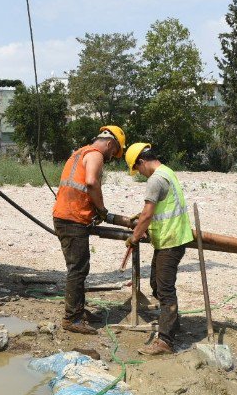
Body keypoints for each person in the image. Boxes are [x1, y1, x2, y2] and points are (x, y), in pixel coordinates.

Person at [52, 125, 126, 335]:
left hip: (66, 215)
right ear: (110, 144)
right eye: (114, 153)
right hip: (73, 218)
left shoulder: (79, 152)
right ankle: (72, 318)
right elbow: (92, 183)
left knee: (79, 268)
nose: (112, 156)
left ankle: (78, 310)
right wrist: (102, 210)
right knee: (78, 269)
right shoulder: (96, 155)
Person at [125, 143, 194, 355]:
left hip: (171, 241)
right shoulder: (167, 172)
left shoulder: (155, 179)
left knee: (165, 290)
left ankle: (165, 341)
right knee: (156, 282)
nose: (140, 174)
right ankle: (172, 324)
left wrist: (134, 237)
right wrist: (145, 221)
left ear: (141, 161)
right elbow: (159, 209)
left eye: (137, 169)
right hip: (170, 238)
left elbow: (147, 214)